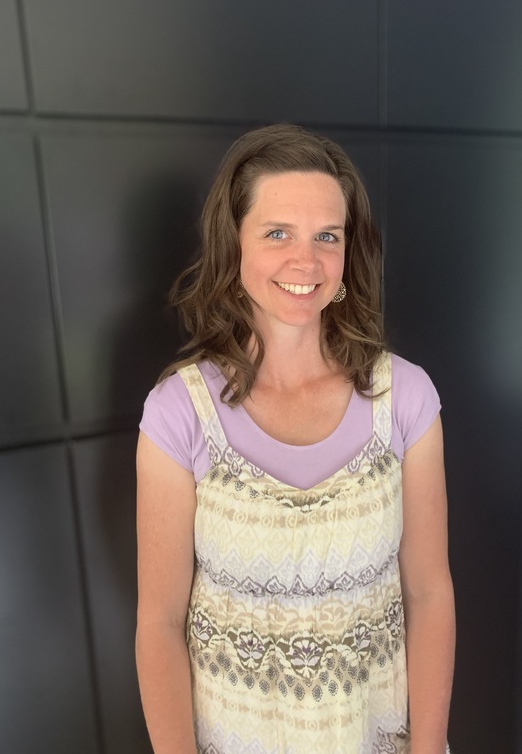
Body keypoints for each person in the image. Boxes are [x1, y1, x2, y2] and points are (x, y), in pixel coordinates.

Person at [136, 123, 455, 754]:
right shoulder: (179, 414)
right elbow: (160, 623)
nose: (305, 262)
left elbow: (429, 593)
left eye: (326, 236)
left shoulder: (406, 397)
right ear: (234, 245)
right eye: (277, 233)